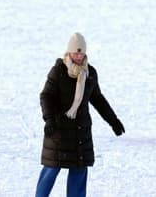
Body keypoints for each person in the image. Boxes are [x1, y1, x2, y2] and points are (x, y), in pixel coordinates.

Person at [36, 32, 124, 197]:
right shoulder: (58, 71)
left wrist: (113, 121)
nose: (78, 56)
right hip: (59, 129)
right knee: (51, 169)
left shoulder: (90, 73)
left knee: (79, 170)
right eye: (75, 52)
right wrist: (49, 119)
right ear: (69, 52)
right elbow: (46, 96)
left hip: (80, 132)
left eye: (81, 52)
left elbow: (98, 99)